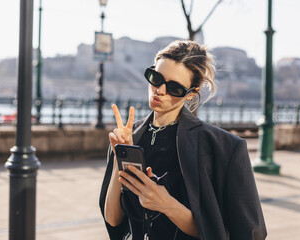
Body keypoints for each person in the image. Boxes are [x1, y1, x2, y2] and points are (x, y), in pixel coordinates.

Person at [99, 40, 267, 240]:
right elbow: (112, 220)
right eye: (156, 78)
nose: (159, 90)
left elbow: (247, 233)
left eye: (175, 88)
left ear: (191, 93)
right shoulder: (128, 137)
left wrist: (167, 205)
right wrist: (120, 156)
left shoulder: (225, 148)